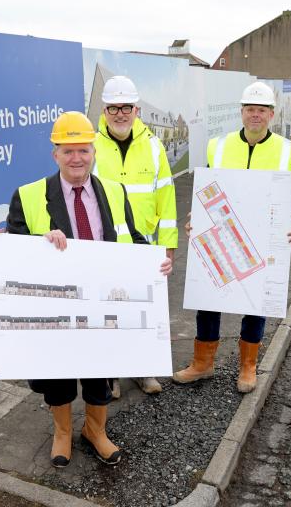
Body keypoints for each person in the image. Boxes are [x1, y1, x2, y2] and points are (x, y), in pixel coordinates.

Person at [6, 111, 172, 467]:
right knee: (59, 374)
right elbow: (14, 256)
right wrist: (41, 243)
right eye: (68, 151)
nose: (77, 158)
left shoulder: (114, 191)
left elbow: (134, 237)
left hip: (102, 305)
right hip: (57, 308)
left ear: (93, 151)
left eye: (83, 150)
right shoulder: (28, 195)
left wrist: (154, 262)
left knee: (101, 371)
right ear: (55, 155)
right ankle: (62, 433)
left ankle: (95, 431)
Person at [173, 81, 291, 393]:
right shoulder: (219, 146)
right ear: (241, 112)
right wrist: (197, 218)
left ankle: (248, 365)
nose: (255, 115)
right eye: (249, 109)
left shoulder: (290, 151)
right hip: (221, 232)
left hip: (264, 236)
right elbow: (206, 189)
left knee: (256, 300)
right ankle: (203, 362)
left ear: (272, 114)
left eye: (261, 110)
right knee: (208, 297)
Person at [93, 75, 178, 396]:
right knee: (110, 314)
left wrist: (168, 246)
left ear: (136, 109)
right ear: (104, 110)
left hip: (146, 248)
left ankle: (143, 371)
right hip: (105, 248)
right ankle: (112, 375)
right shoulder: (92, 147)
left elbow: (166, 199)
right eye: (113, 108)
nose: (120, 114)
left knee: (143, 313)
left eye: (126, 107)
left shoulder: (154, 146)